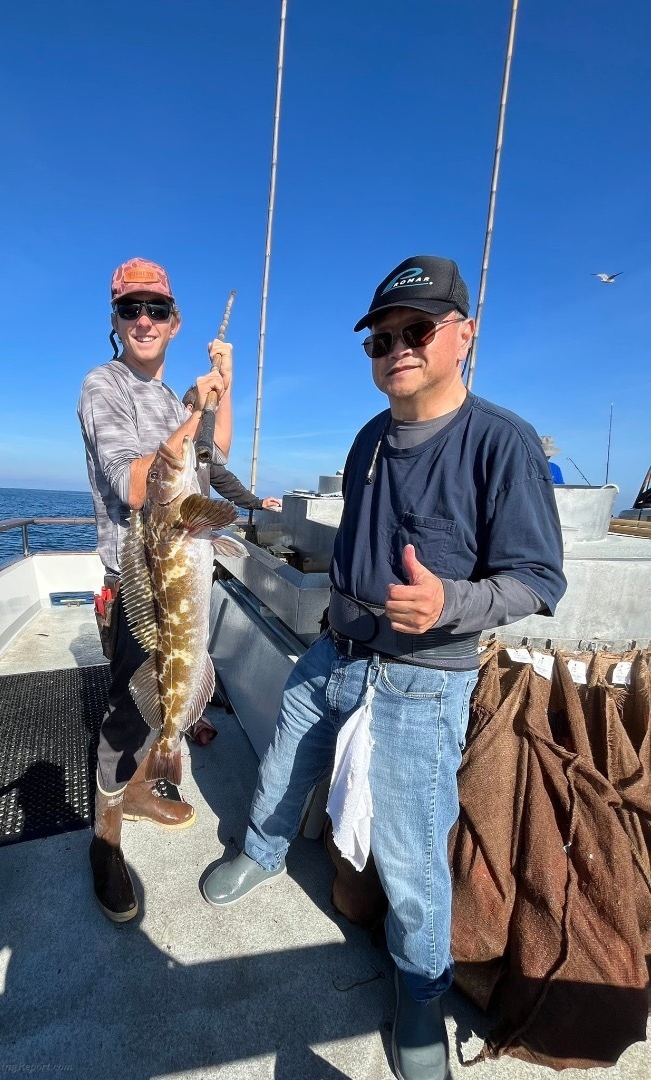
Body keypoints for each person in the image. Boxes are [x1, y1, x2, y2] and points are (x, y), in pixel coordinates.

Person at [202, 256, 566, 1080]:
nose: (397, 347)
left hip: (422, 680)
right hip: (334, 648)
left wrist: (448, 604)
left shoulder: (501, 442)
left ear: (464, 336)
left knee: (410, 852)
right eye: (382, 337)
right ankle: (260, 851)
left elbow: (540, 580)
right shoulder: (370, 436)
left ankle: (420, 991)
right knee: (283, 764)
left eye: (418, 330)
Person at [78, 257, 233, 923]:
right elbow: (136, 483)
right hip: (136, 583)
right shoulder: (103, 385)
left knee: (162, 698)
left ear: (175, 322)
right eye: (130, 309)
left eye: (156, 309)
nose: (143, 320)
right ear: (116, 320)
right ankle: (105, 839)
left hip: (177, 566)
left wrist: (220, 390)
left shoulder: (173, 400)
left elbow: (211, 458)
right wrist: (193, 412)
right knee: (124, 712)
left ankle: (143, 785)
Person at [181, 386, 282, 510]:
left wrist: (258, 503)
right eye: (208, 412)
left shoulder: (203, 446)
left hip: (195, 518)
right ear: (189, 409)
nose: (211, 420)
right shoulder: (168, 440)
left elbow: (224, 481)